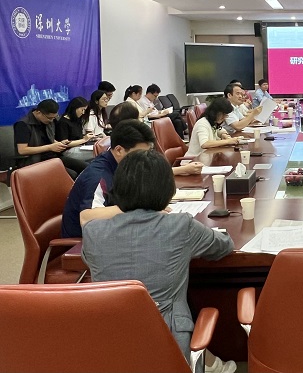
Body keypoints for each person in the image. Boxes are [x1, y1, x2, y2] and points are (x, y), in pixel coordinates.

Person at [80, 150, 236, 373]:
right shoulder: (180, 225)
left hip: (109, 347)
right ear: (167, 190)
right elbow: (224, 246)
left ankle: (210, 363)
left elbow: (90, 259)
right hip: (169, 348)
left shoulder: (93, 232)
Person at [61, 119, 155, 238]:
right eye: (139, 154)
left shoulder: (119, 163)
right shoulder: (98, 176)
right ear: (119, 150)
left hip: (112, 230)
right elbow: (87, 218)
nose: (144, 159)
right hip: (84, 241)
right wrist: (139, 209)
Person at [13, 98, 86, 179]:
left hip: (52, 156)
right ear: (38, 112)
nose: (51, 120)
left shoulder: (49, 121)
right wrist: (50, 147)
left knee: (85, 167)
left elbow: (48, 139)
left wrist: (59, 143)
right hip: (36, 160)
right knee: (71, 175)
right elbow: (22, 150)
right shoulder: (23, 125)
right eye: (49, 118)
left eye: (54, 117)